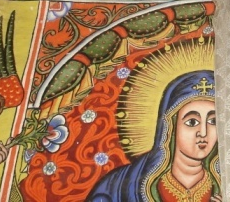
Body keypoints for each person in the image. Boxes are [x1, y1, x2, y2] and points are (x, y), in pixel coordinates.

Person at [88, 70, 221, 202]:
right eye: (192, 122)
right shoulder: (116, 186)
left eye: (213, 121)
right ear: (170, 126)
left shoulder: (228, 180)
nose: (203, 132)